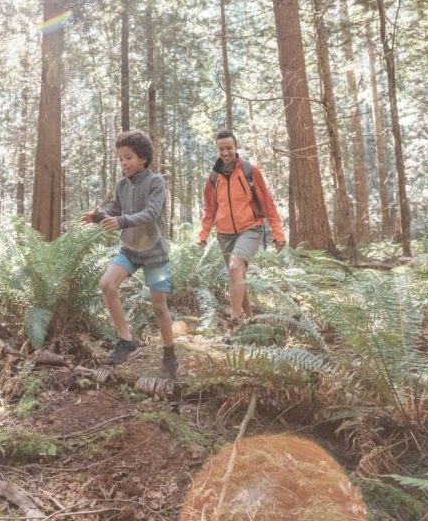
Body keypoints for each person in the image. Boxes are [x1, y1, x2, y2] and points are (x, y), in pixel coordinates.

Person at [82, 130, 178, 380]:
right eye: (120, 159)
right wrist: (98, 216)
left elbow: (152, 213)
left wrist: (121, 220)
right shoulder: (122, 185)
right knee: (106, 284)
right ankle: (127, 343)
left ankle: (169, 356)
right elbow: (116, 209)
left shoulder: (156, 182)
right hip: (130, 251)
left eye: (129, 157)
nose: (124, 163)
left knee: (159, 307)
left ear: (143, 158)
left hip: (154, 254)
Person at [197, 128, 286, 327]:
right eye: (221, 149)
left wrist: (278, 232)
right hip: (224, 234)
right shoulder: (213, 178)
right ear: (217, 150)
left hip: (250, 229)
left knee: (235, 267)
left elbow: (267, 203)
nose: (225, 152)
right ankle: (250, 318)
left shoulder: (249, 171)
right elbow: (210, 210)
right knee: (237, 274)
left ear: (236, 148)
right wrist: (203, 234)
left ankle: (234, 321)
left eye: (229, 148)